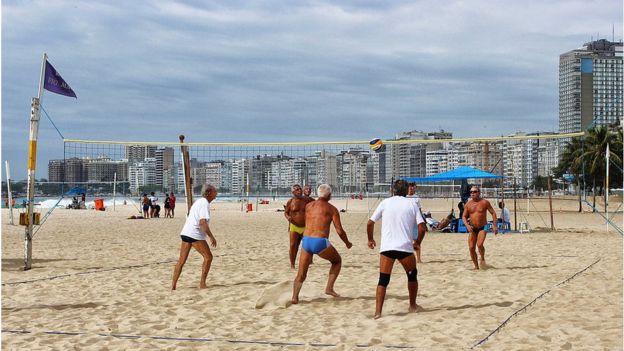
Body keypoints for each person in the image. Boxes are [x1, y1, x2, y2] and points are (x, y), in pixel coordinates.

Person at [367, 180, 426, 319]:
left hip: (387, 248)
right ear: (406, 191)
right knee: (412, 276)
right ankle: (412, 305)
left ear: (393, 190)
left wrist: (370, 239)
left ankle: (378, 312)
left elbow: (370, 223)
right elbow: (422, 227)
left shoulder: (385, 202)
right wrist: (417, 242)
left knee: (383, 280)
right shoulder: (412, 203)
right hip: (405, 248)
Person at [292, 184, 352, 304]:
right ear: (329, 195)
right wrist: (347, 243)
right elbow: (339, 230)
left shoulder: (309, 206)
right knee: (337, 261)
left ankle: (294, 297)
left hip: (306, 240)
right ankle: (329, 288)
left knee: (301, 274)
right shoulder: (332, 209)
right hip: (320, 242)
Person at [171, 184, 218, 290]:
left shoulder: (198, 201)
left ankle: (173, 286)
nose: (216, 193)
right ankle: (202, 283)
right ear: (209, 192)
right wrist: (211, 237)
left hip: (186, 232)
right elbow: (202, 222)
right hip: (194, 234)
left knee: (181, 260)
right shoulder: (204, 203)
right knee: (208, 257)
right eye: (215, 191)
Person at [462, 186, 498, 270]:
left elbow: (493, 213)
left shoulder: (485, 202)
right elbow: (463, 216)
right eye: (471, 192)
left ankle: (482, 257)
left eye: (474, 192)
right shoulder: (468, 204)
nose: (472, 193)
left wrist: (495, 225)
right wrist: (467, 225)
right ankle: (476, 266)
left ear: (479, 192)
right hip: (472, 228)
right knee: (471, 248)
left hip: (483, 227)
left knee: (480, 244)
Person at [284, 184, 307, 269]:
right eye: (297, 189)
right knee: (293, 245)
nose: (299, 191)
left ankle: (305, 262)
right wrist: (288, 217)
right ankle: (292, 264)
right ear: (293, 192)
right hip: (294, 226)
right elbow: (286, 212)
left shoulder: (306, 200)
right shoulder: (291, 201)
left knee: (303, 246)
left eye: (300, 189)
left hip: (305, 226)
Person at [407, 182, 425, 263]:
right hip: (407, 220)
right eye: (410, 188)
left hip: (415, 221)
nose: (412, 189)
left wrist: (422, 220)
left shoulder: (416, 198)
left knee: (417, 240)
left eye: (413, 188)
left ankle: (418, 258)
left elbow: (419, 210)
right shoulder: (404, 197)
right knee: (406, 240)